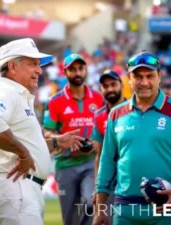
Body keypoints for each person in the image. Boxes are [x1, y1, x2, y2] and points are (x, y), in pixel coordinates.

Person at [0, 38, 84, 225]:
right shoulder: (5, 91)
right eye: (33, 64)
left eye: (39, 65)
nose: (39, 70)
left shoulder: (16, 94)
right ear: (12, 67)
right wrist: (24, 154)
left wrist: (56, 142)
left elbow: (26, 142)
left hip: (21, 188)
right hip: (15, 186)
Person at [93, 50, 171, 225]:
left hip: (170, 209)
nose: (144, 82)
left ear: (159, 76)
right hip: (125, 210)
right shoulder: (115, 114)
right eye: (138, 76)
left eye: (150, 76)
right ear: (129, 78)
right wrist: (100, 209)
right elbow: (106, 163)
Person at [43, 53, 104, 225]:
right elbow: (47, 133)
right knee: (70, 218)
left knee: (89, 202)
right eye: (73, 70)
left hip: (90, 162)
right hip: (65, 164)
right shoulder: (55, 101)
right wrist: (62, 139)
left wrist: (97, 143)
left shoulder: (98, 98)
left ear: (85, 70)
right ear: (65, 73)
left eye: (80, 68)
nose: (77, 73)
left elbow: (104, 129)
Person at [92, 70, 125, 224]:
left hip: (131, 178)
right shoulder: (99, 116)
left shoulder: (135, 109)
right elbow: (99, 156)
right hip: (110, 180)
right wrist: (97, 188)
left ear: (122, 85)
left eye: (113, 84)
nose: (110, 89)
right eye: (106, 86)